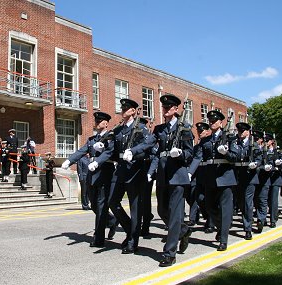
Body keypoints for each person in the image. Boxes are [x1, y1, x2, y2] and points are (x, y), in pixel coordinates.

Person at [61, 111, 119, 247]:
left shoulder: (111, 138)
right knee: (93, 205)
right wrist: (69, 160)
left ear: (106, 123)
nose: (97, 123)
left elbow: (109, 153)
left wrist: (98, 161)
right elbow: (81, 151)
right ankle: (112, 221)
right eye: (96, 121)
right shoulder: (92, 140)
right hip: (92, 175)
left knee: (100, 205)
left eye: (100, 121)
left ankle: (99, 239)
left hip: (104, 173)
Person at [148, 94, 193, 267]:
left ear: (175, 109)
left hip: (178, 176)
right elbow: (149, 144)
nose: (165, 110)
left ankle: (169, 253)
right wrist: (134, 150)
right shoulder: (159, 129)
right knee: (161, 210)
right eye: (164, 107)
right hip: (163, 175)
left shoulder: (185, 129)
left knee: (175, 215)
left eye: (168, 108)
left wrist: (181, 154)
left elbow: (190, 153)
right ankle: (184, 230)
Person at [109, 99, 154, 254]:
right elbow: (113, 151)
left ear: (134, 111)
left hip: (135, 171)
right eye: (123, 107)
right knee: (112, 201)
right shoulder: (118, 130)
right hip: (120, 170)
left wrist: (134, 155)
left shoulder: (141, 128)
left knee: (135, 208)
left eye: (127, 108)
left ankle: (133, 241)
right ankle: (130, 229)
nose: (124, 110)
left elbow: (148, 148)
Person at [199, 110, 239, 252]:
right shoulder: (206, 140)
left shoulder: (230, 138)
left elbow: (236, 156)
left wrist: (226, 153)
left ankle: (223, 239)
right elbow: (199, 156)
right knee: (209, 207)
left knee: (225, 210)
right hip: (210, 178)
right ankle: (222, 228)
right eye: (210, 120)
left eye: (214, 120)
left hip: (225, 178)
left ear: (221, 122)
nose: (212, 123)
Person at [188, 122, 214, 233]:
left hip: (209, 173)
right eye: (198, 131)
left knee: (209, 199)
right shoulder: (197, 146)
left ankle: (211, 223)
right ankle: (207, 216)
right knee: (198, 198)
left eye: (202, 131)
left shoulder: (211, 143)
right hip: (199, 174)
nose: (200, 133)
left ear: (208, 131)